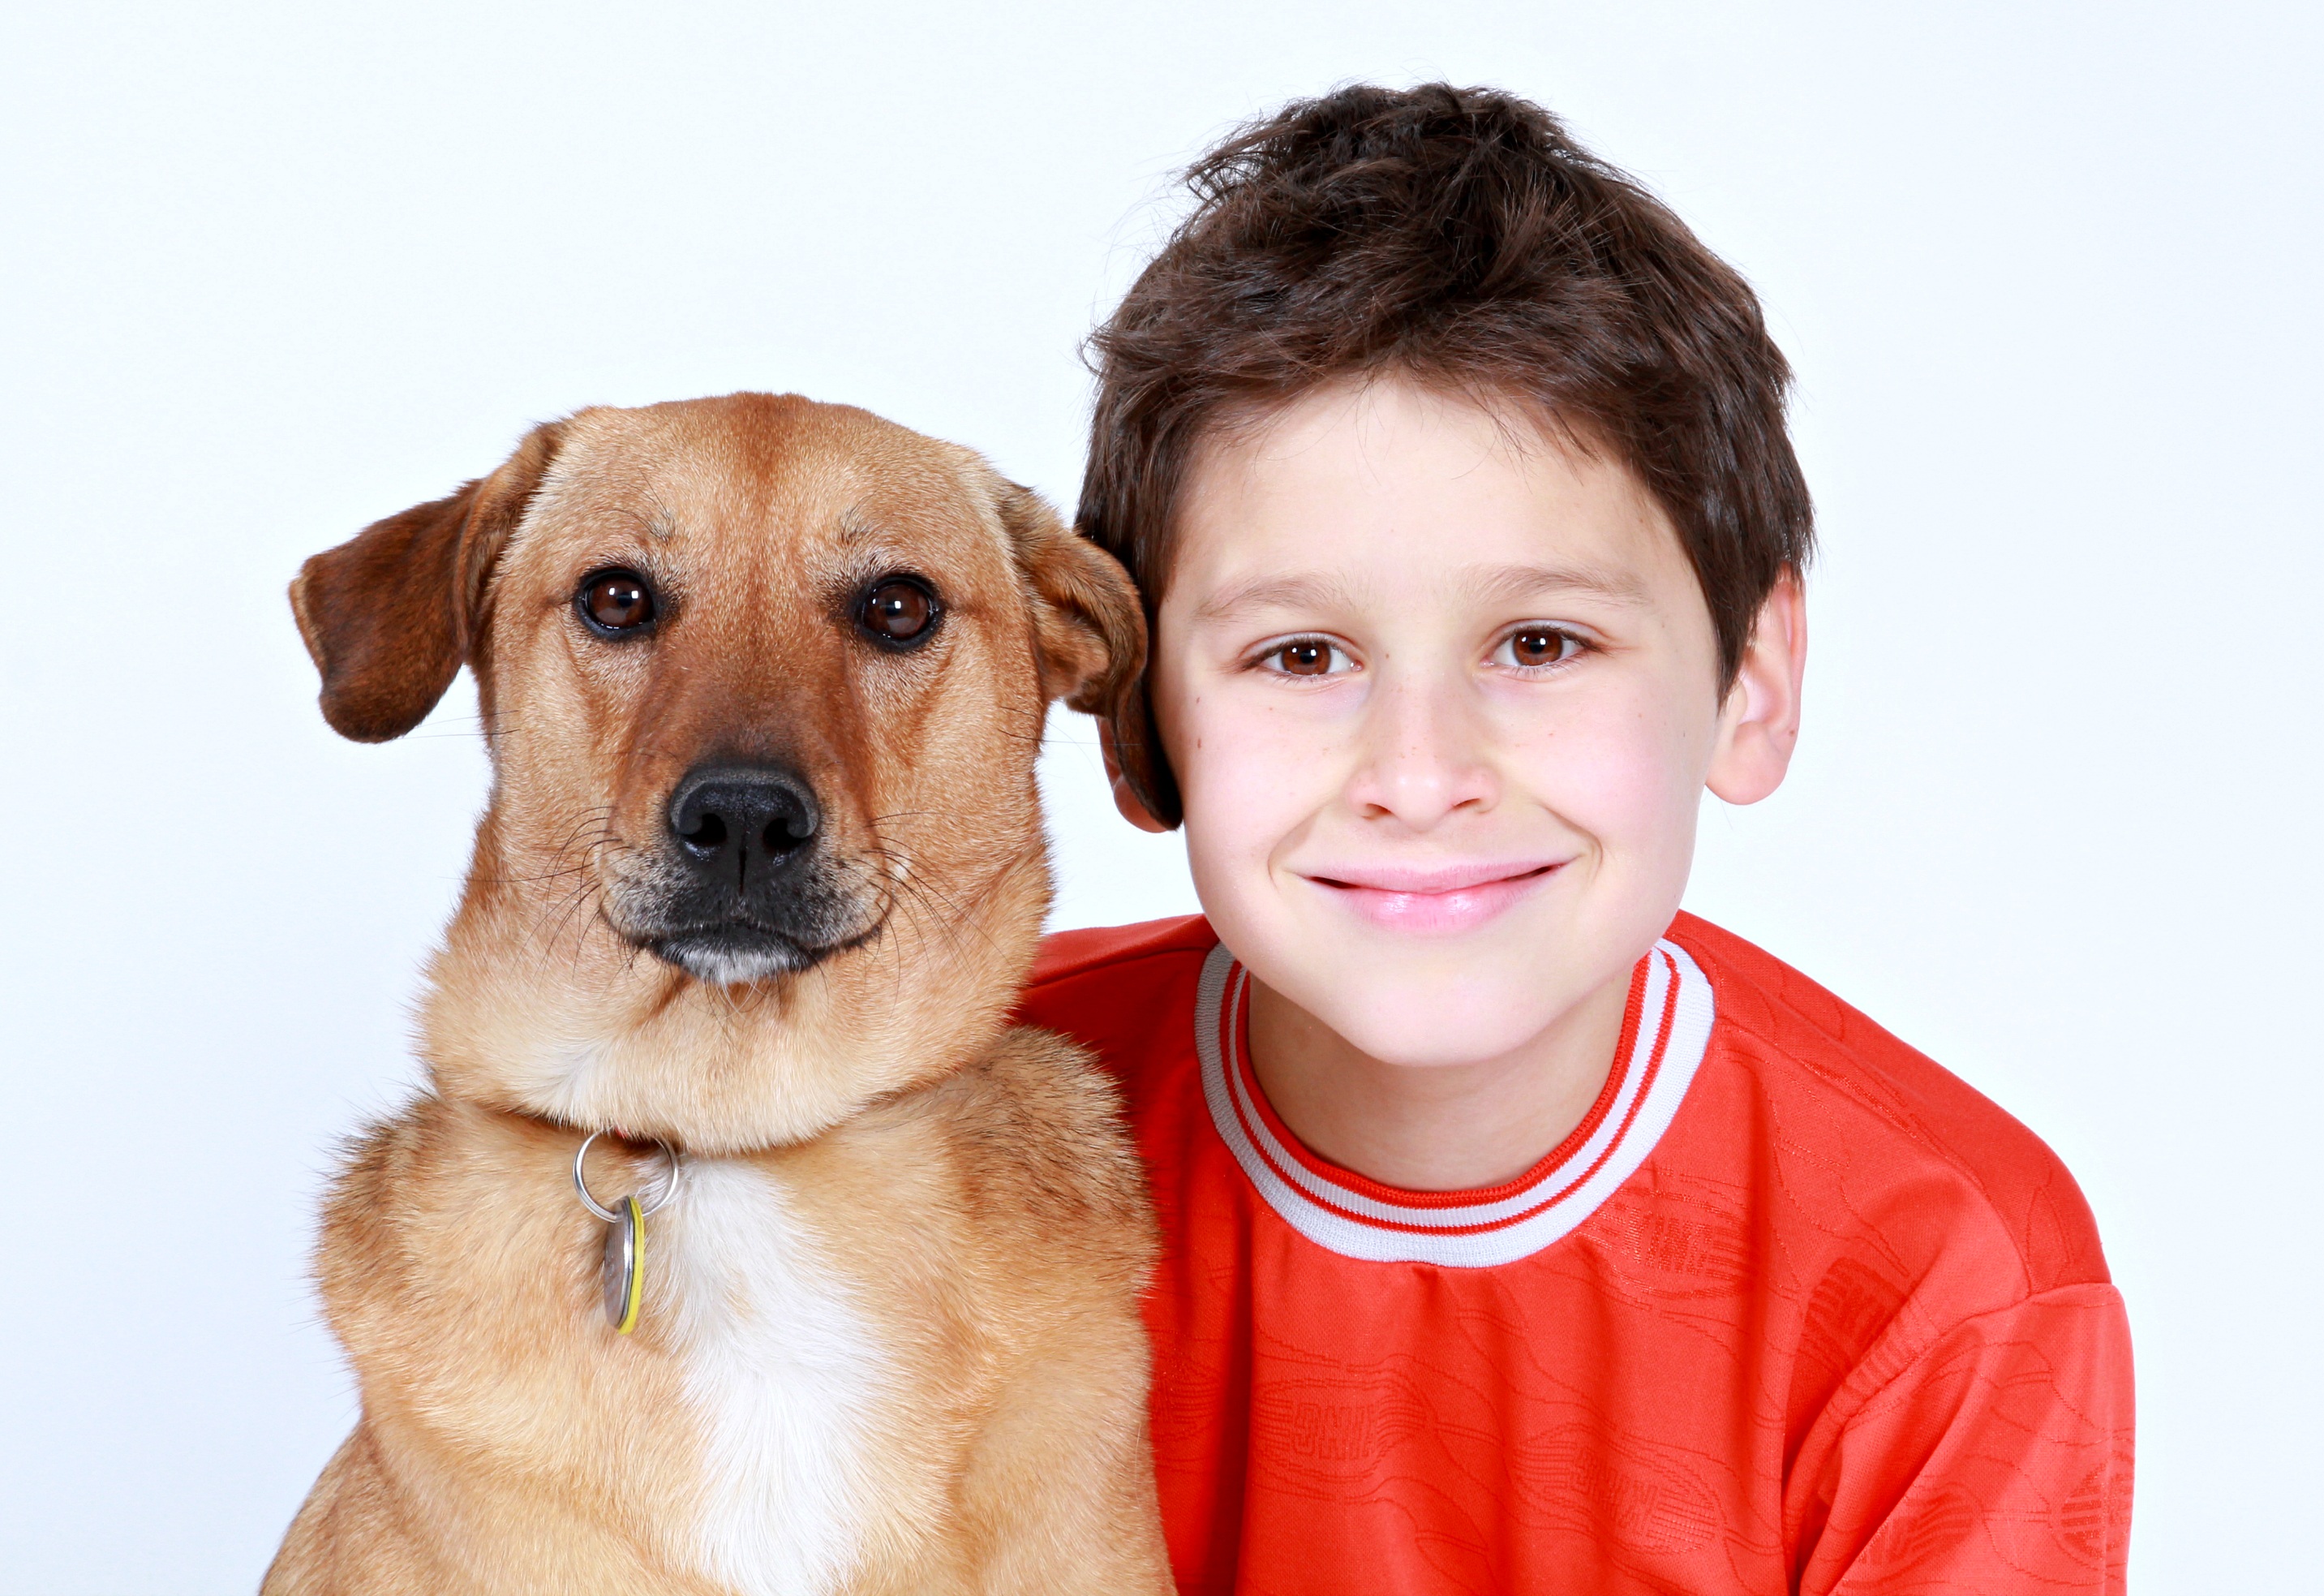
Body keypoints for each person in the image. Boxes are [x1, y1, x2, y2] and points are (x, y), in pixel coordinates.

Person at [1016, 83, 2133, 1593]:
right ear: (1136, 721)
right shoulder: (953, 1120)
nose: (1418, 776)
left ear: (1750, 679)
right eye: (1299, 657)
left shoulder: (1941, 1281)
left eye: (1539, 644)